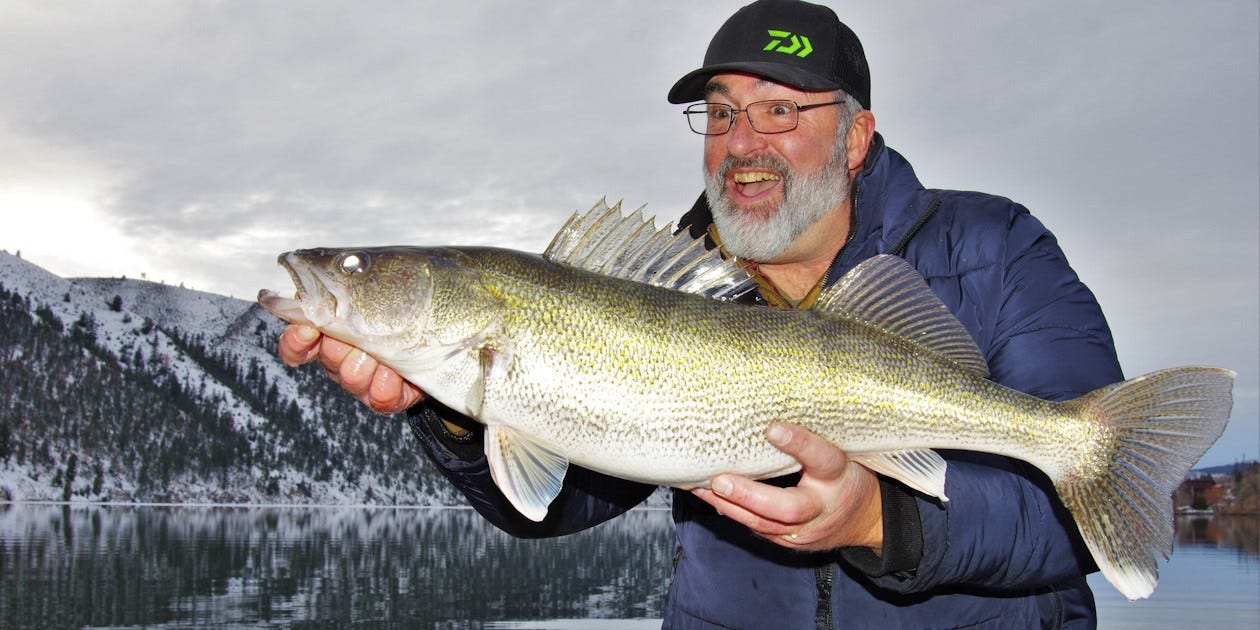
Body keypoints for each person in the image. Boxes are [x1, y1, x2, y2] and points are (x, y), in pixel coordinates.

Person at [278, 0, 1122, 626]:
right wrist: (451, 414)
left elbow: (1074, 526)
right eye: (721, 113)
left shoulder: (997, 247)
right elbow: (552, 501)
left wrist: (876, 518)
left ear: (856, 138)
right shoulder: (671, 283)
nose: (743, 142)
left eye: (781, 110)